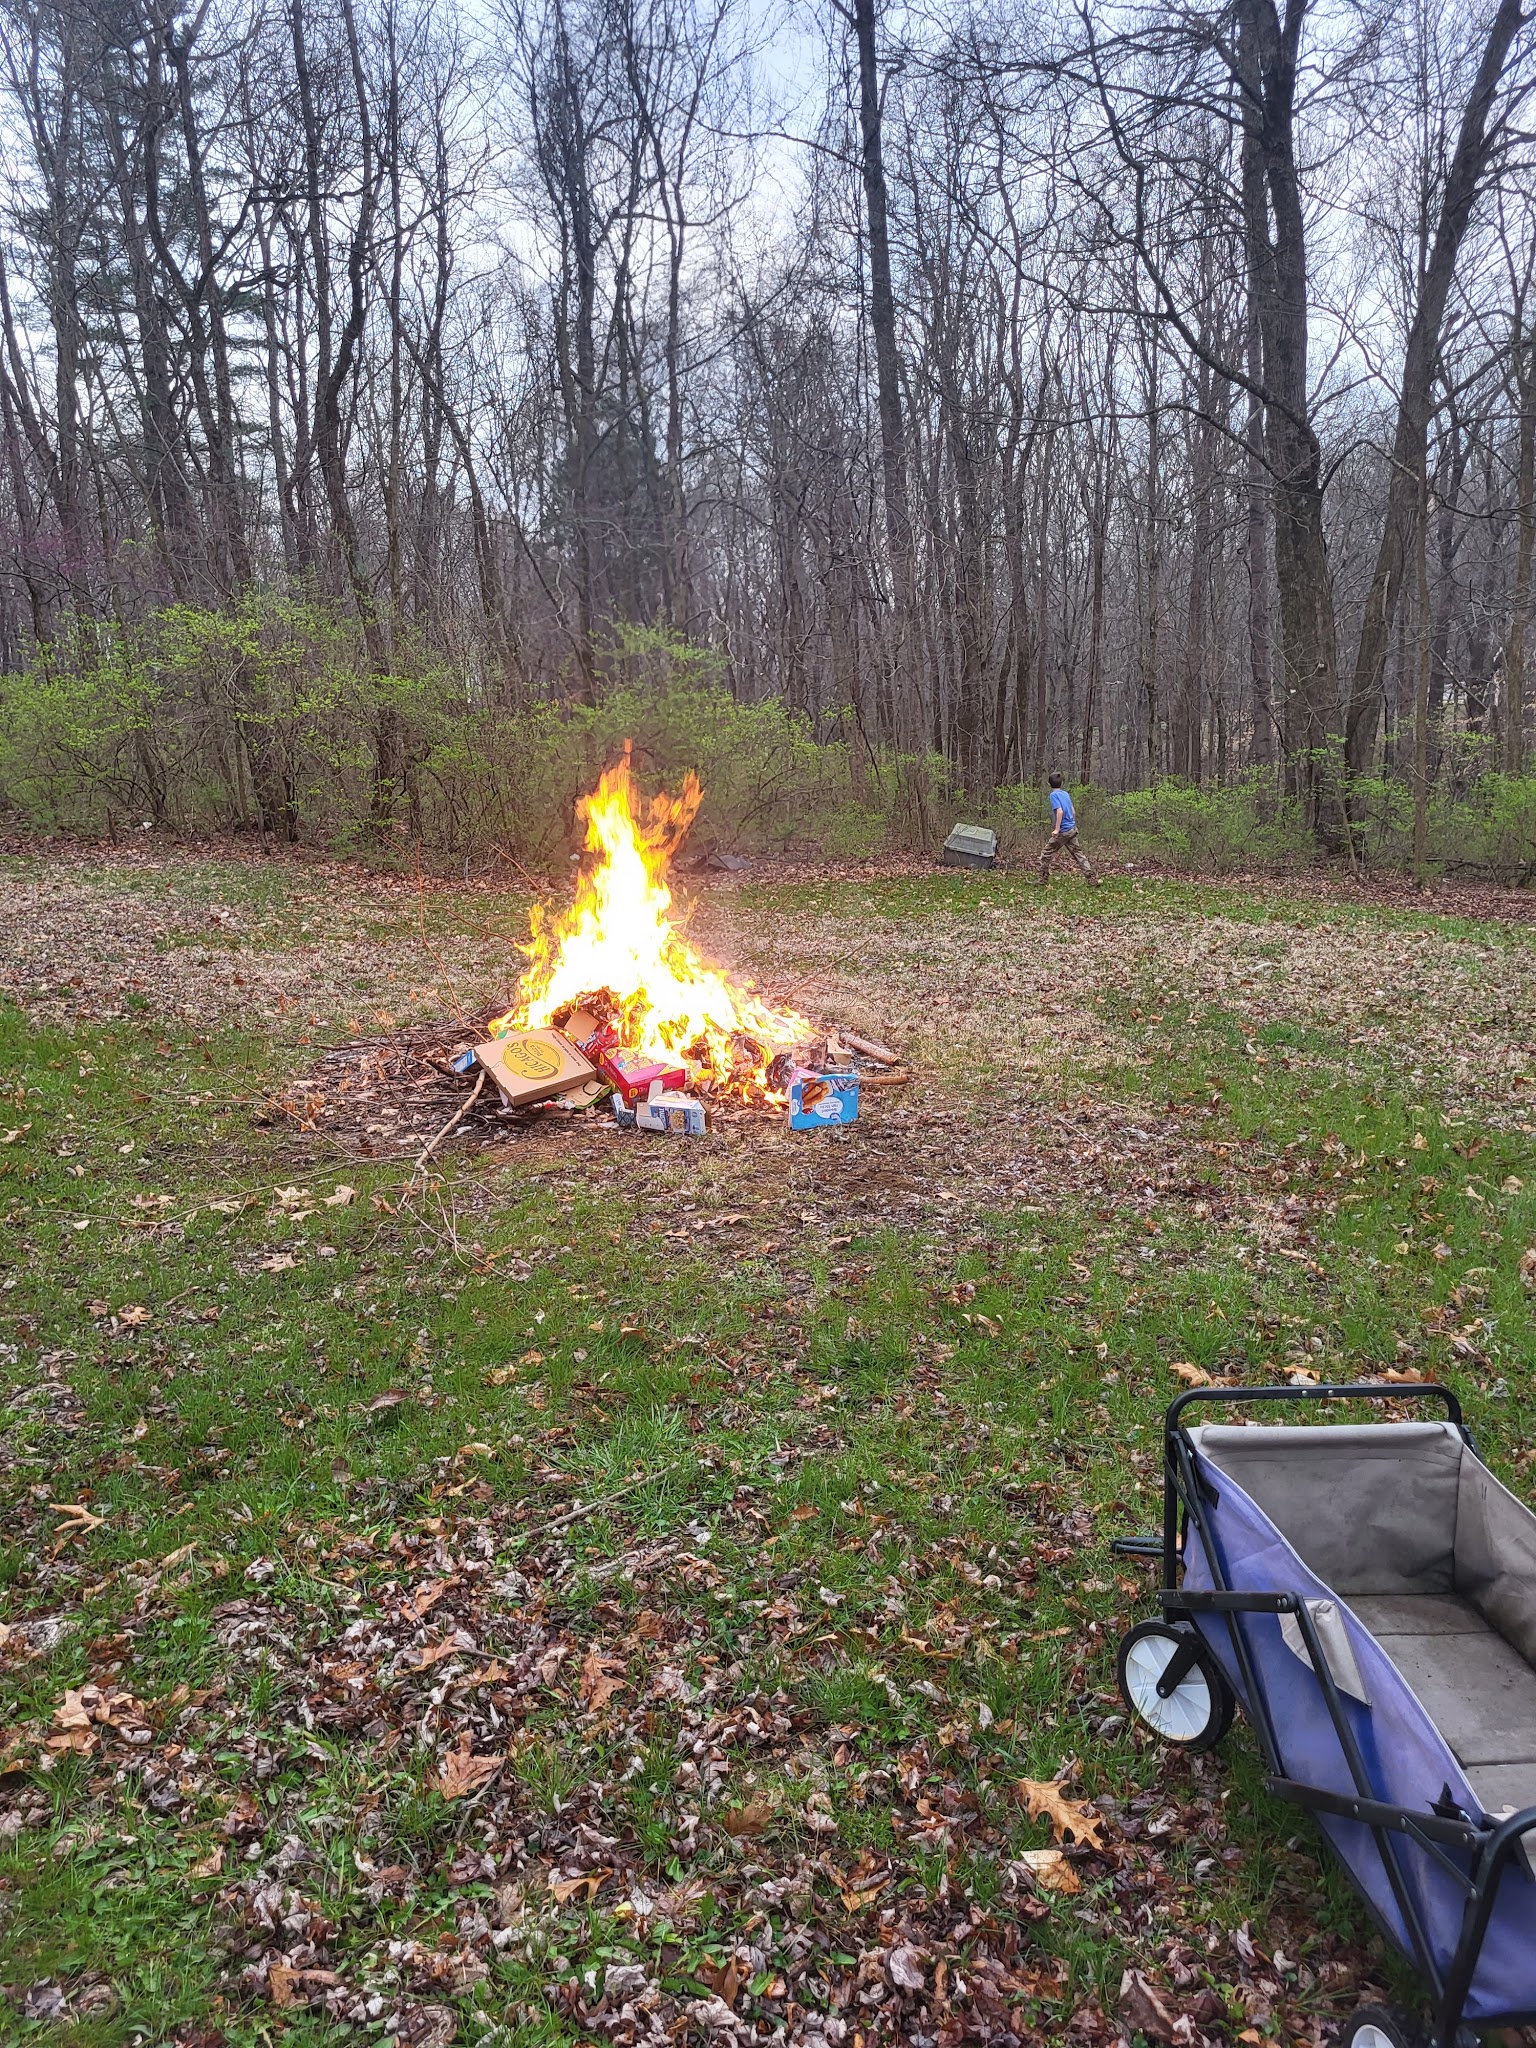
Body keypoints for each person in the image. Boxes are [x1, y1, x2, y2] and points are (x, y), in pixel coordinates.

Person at [1038, 773, 1096, 884]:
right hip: (1071, 829)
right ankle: (1091, 878)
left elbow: (1060, 811)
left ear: (1049, 783)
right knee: (1078, 854)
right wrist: (1073, 825)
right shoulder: (1065, 794)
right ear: (1061, 783)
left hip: (1063, 831)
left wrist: (1057, 829)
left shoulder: (1053, 795)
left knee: (1046, 854)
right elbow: (1073, 811)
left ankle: (1043, 879)